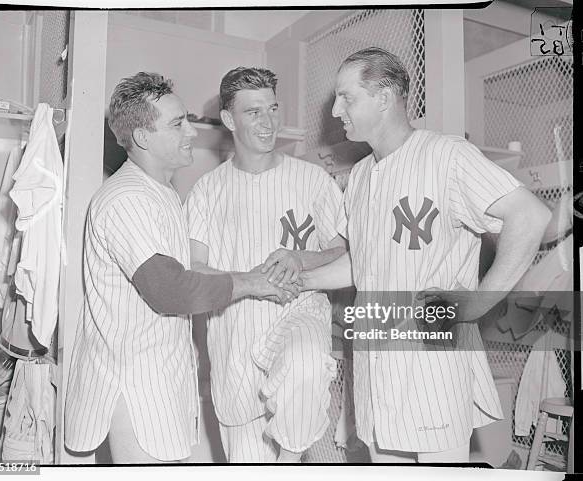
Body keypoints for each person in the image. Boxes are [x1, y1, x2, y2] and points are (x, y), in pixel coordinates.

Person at [301, 48, 551, 463]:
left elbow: (530, 216)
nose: (334, 108)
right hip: (375, 366)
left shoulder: (447, 156)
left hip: (430, 365)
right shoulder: (361, 176)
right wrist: (304, 279)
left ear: (384, 97)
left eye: (347, 97)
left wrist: (481, 301)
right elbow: (363, 262)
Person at [64, 72, 296, 464]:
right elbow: (169, 289)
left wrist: (261, 281)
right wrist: (252, 284)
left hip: (159, 382)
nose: (192, 132)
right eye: (177, 124)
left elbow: (187, 272)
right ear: (142, 137)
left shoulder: (162, 192)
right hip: (134, 389)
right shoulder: (128, 199)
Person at [186, 67, 346, 463]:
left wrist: (301, 258)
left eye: (272, 109)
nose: (268, 121)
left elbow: (345, 251)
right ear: (228, 119)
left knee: (306, 367)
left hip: (296, 316)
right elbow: (192, 269)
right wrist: (255, 282)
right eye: (253, 112)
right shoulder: (207, 190)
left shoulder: (312, 180)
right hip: (234, 343)